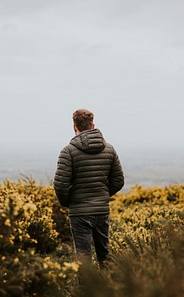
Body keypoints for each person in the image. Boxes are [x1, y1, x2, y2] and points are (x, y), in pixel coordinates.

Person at [53, 109, 124, 268]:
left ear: (74, 127)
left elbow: (60, 184)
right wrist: (102, 195)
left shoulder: (68, 151)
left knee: (83, 257)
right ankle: (112, 287)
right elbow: (118, 181)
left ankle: (86, 290)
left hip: (79, 213)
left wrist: (70, 202)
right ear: (93, 126)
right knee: (105, 255)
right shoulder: (109, 149)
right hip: (101, 210)